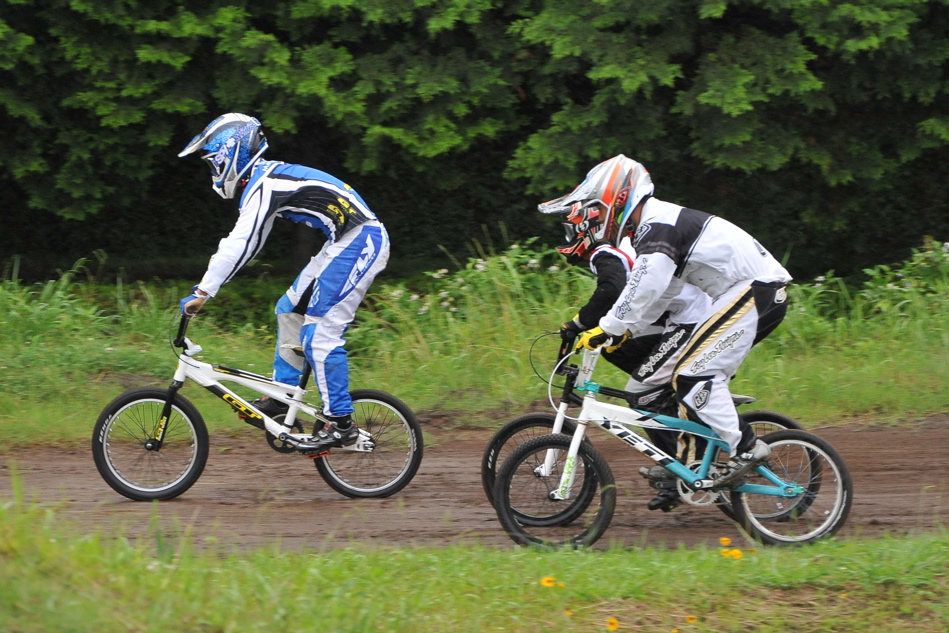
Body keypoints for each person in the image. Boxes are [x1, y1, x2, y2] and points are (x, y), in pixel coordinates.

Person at [543, 155, 792, 487]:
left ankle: (746, 448)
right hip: (744, 294)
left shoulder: (656, 224)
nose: (597, 218)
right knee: (682, 378)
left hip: (755, 292)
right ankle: (688, 463)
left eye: (598, 210)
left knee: (693, 375)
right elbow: (663, 292)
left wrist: (611, 327)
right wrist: (624, 329)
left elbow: (645, 286)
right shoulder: (656, 224)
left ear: (618, 200)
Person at [177, 113, 390, 452]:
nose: (214, 171)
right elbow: (252, 241)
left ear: (231, 154)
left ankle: (343, 426)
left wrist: (204, 291)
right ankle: (282, 397)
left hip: (361, 240)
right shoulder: (266, 180)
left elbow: (240, 243)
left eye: (214, 162)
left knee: (320, 333)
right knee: (289, 310)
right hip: (344, 241)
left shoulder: (266, 184)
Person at [539, 157, 714, 509]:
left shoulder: (604, 250)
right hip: (673, 316)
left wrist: (576, 324)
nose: (568, 236)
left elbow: (612, 290)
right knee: (617, 353)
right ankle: (672, 422)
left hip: (691, 317)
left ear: (585, 225)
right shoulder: (616, 244)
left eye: (570, 229)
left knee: (641, 393)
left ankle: (680, 467)